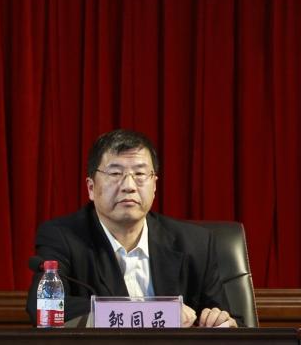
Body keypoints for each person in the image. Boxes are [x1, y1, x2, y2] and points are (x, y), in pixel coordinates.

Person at [26, 128, 238, 328]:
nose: (129, 186)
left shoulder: (194, 243)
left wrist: (220, 321)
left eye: (140, 174)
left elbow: (226, 320)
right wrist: (153, 312)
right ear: (91, 188)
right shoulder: (62, 237)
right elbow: (43, 307)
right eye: (115, 174)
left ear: (154, 186)